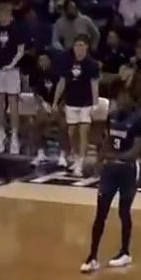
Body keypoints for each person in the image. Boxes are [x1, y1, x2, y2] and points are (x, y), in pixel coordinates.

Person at [80, 82, 141, 273]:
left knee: (124, 211)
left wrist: (112, 157)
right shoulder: (112, 117)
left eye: (124, 97)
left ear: (132, 99)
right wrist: (99, 160)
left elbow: (135, 152)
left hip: (128, 170)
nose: (120, 101)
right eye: (118, 97)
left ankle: (125, 252)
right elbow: (108, 141)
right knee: (101, 213)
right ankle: (92, 256)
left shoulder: (139, 121)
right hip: (111, 171)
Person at [0, 1, 29, 155]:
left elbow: (21, 50)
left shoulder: (17, 29)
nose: (1, 18)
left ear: (9, 15)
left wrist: (11, 64)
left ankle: (15, 136)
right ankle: (1, 134)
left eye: (4, 15)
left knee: (12, 101)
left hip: (12, 69)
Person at [52, 35, 100, 175]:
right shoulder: (67, 62)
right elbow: (61, 83)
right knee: (71, 133)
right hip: (71, 102)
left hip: (86, 103)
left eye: (81, 45)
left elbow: (94, 84)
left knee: (83, 132)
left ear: (86, 47)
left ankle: (81, 162)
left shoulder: (92, 64)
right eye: (76, 45)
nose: (78, 48)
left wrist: (95, 103)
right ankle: (76, 156)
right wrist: (55, 101)